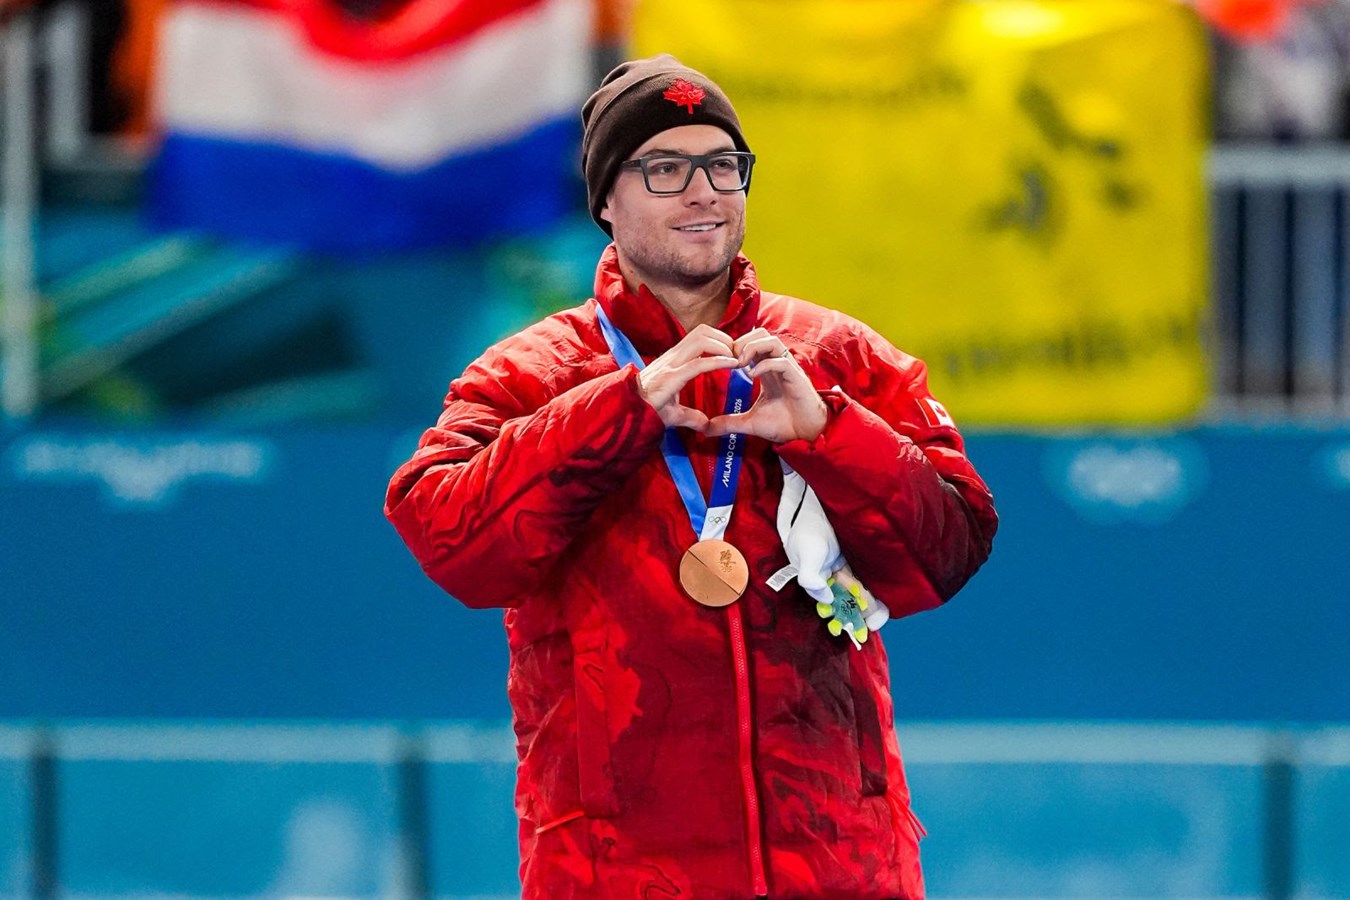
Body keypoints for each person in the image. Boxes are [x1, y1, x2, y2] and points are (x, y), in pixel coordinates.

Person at [386, 54, 998, 900]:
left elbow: (950, 550)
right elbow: (451, 541)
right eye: (665, 169)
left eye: (723, 166)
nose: (705, 192)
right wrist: (620, 409)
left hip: (838, 866)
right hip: (615, 874)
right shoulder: (531, 374)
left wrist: (830, 432)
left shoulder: (836, 358)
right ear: (606, 200)